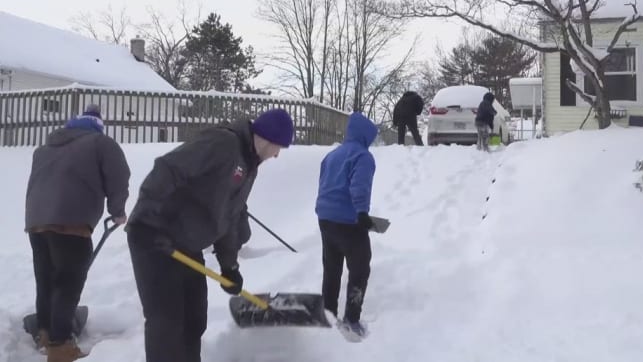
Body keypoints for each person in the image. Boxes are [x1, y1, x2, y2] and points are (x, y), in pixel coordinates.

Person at [125, 108, 294, 362]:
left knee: (194, 320)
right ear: (267, 138)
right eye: (278, 147)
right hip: (155, 238)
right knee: (167, 325)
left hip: (186, 244)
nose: (277, 154)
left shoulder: (249, 165)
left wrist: (229, 266)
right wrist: (148, 219)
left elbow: (230, 216)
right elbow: (167, 168)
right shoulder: (223, 143)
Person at [24, 104, 130, 362]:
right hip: (71, 223)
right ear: (98, 126)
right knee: (67, 282)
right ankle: (60, 346)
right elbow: (118, 176)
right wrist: (117, 210)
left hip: (37, 222)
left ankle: (46, 333)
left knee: (47, 279)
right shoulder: (101, 144)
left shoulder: (45, 148)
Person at [315, 111, 378, 339]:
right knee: (360, 270)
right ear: (365, 137)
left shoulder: (332, 155)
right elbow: (359, 186)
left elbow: (323, 184)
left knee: (331, 269)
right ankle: (351, 320)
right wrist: (361, 212)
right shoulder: (363, 157)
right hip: (349, 222)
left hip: (325, 220)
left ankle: (328, 315)